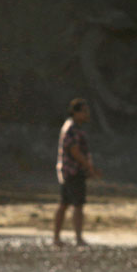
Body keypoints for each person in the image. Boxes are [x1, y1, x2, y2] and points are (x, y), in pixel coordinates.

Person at [54, 98, 96, 247]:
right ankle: (78, 238)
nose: (87, 114)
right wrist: (89, 167)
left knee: (64, 204)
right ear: (75, 112)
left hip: (68, 171)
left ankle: (57, 238)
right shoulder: (71, 128)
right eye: (84, 111)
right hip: (73, 171)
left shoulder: (73, 127)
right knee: (77, 205)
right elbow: (75, 151)